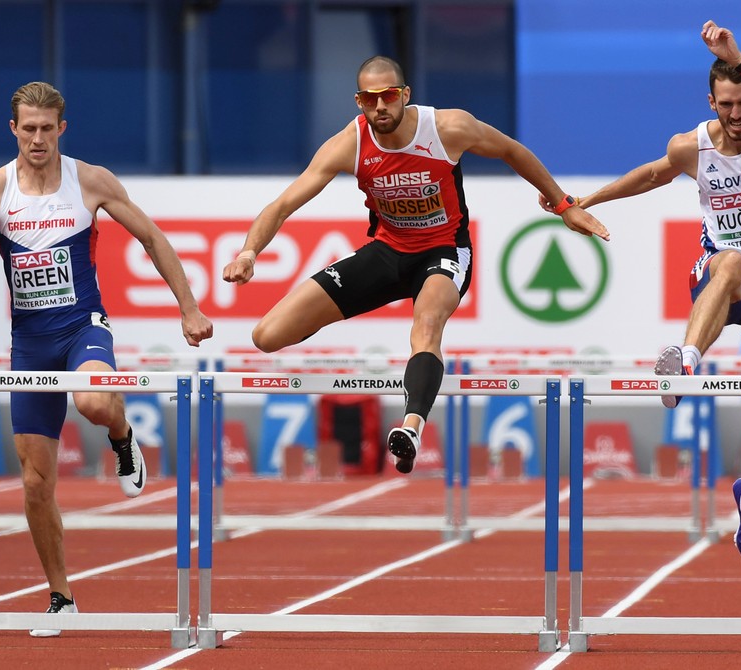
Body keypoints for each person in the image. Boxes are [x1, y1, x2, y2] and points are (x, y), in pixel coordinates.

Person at [223, 55, 608, 474]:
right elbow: (281, 206)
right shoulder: (348, 144)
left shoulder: (447, 128)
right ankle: (344, 318)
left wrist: (562, 204)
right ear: (358, 102)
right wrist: (249, 252)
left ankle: (410, 428)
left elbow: (512, 151)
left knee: (426, 326)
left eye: (388, 96)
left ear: (405, 94)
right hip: (388, 252)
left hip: (444, 250)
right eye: (370, 100)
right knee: (267, 335)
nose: (380, 107)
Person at [0, 81, 213, 635]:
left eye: (47, 128)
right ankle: (61, 598)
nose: (37, 138)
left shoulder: (91, 181)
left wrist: (189, 308)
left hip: (83, 327)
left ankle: (123, 436)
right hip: (30, 343)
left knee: (93, 400)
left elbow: (152, 238)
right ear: (13, 129)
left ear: (63, 127)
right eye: (27, 129)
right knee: (35, 482)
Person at [575, 21, 741, 565]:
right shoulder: (693, 146)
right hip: (719, 272)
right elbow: (651, 175)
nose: (738, 114)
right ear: (712, 102)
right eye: (727, 104)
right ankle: (687, 362)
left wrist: (739, 57)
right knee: (729, 262)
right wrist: (583, 199)